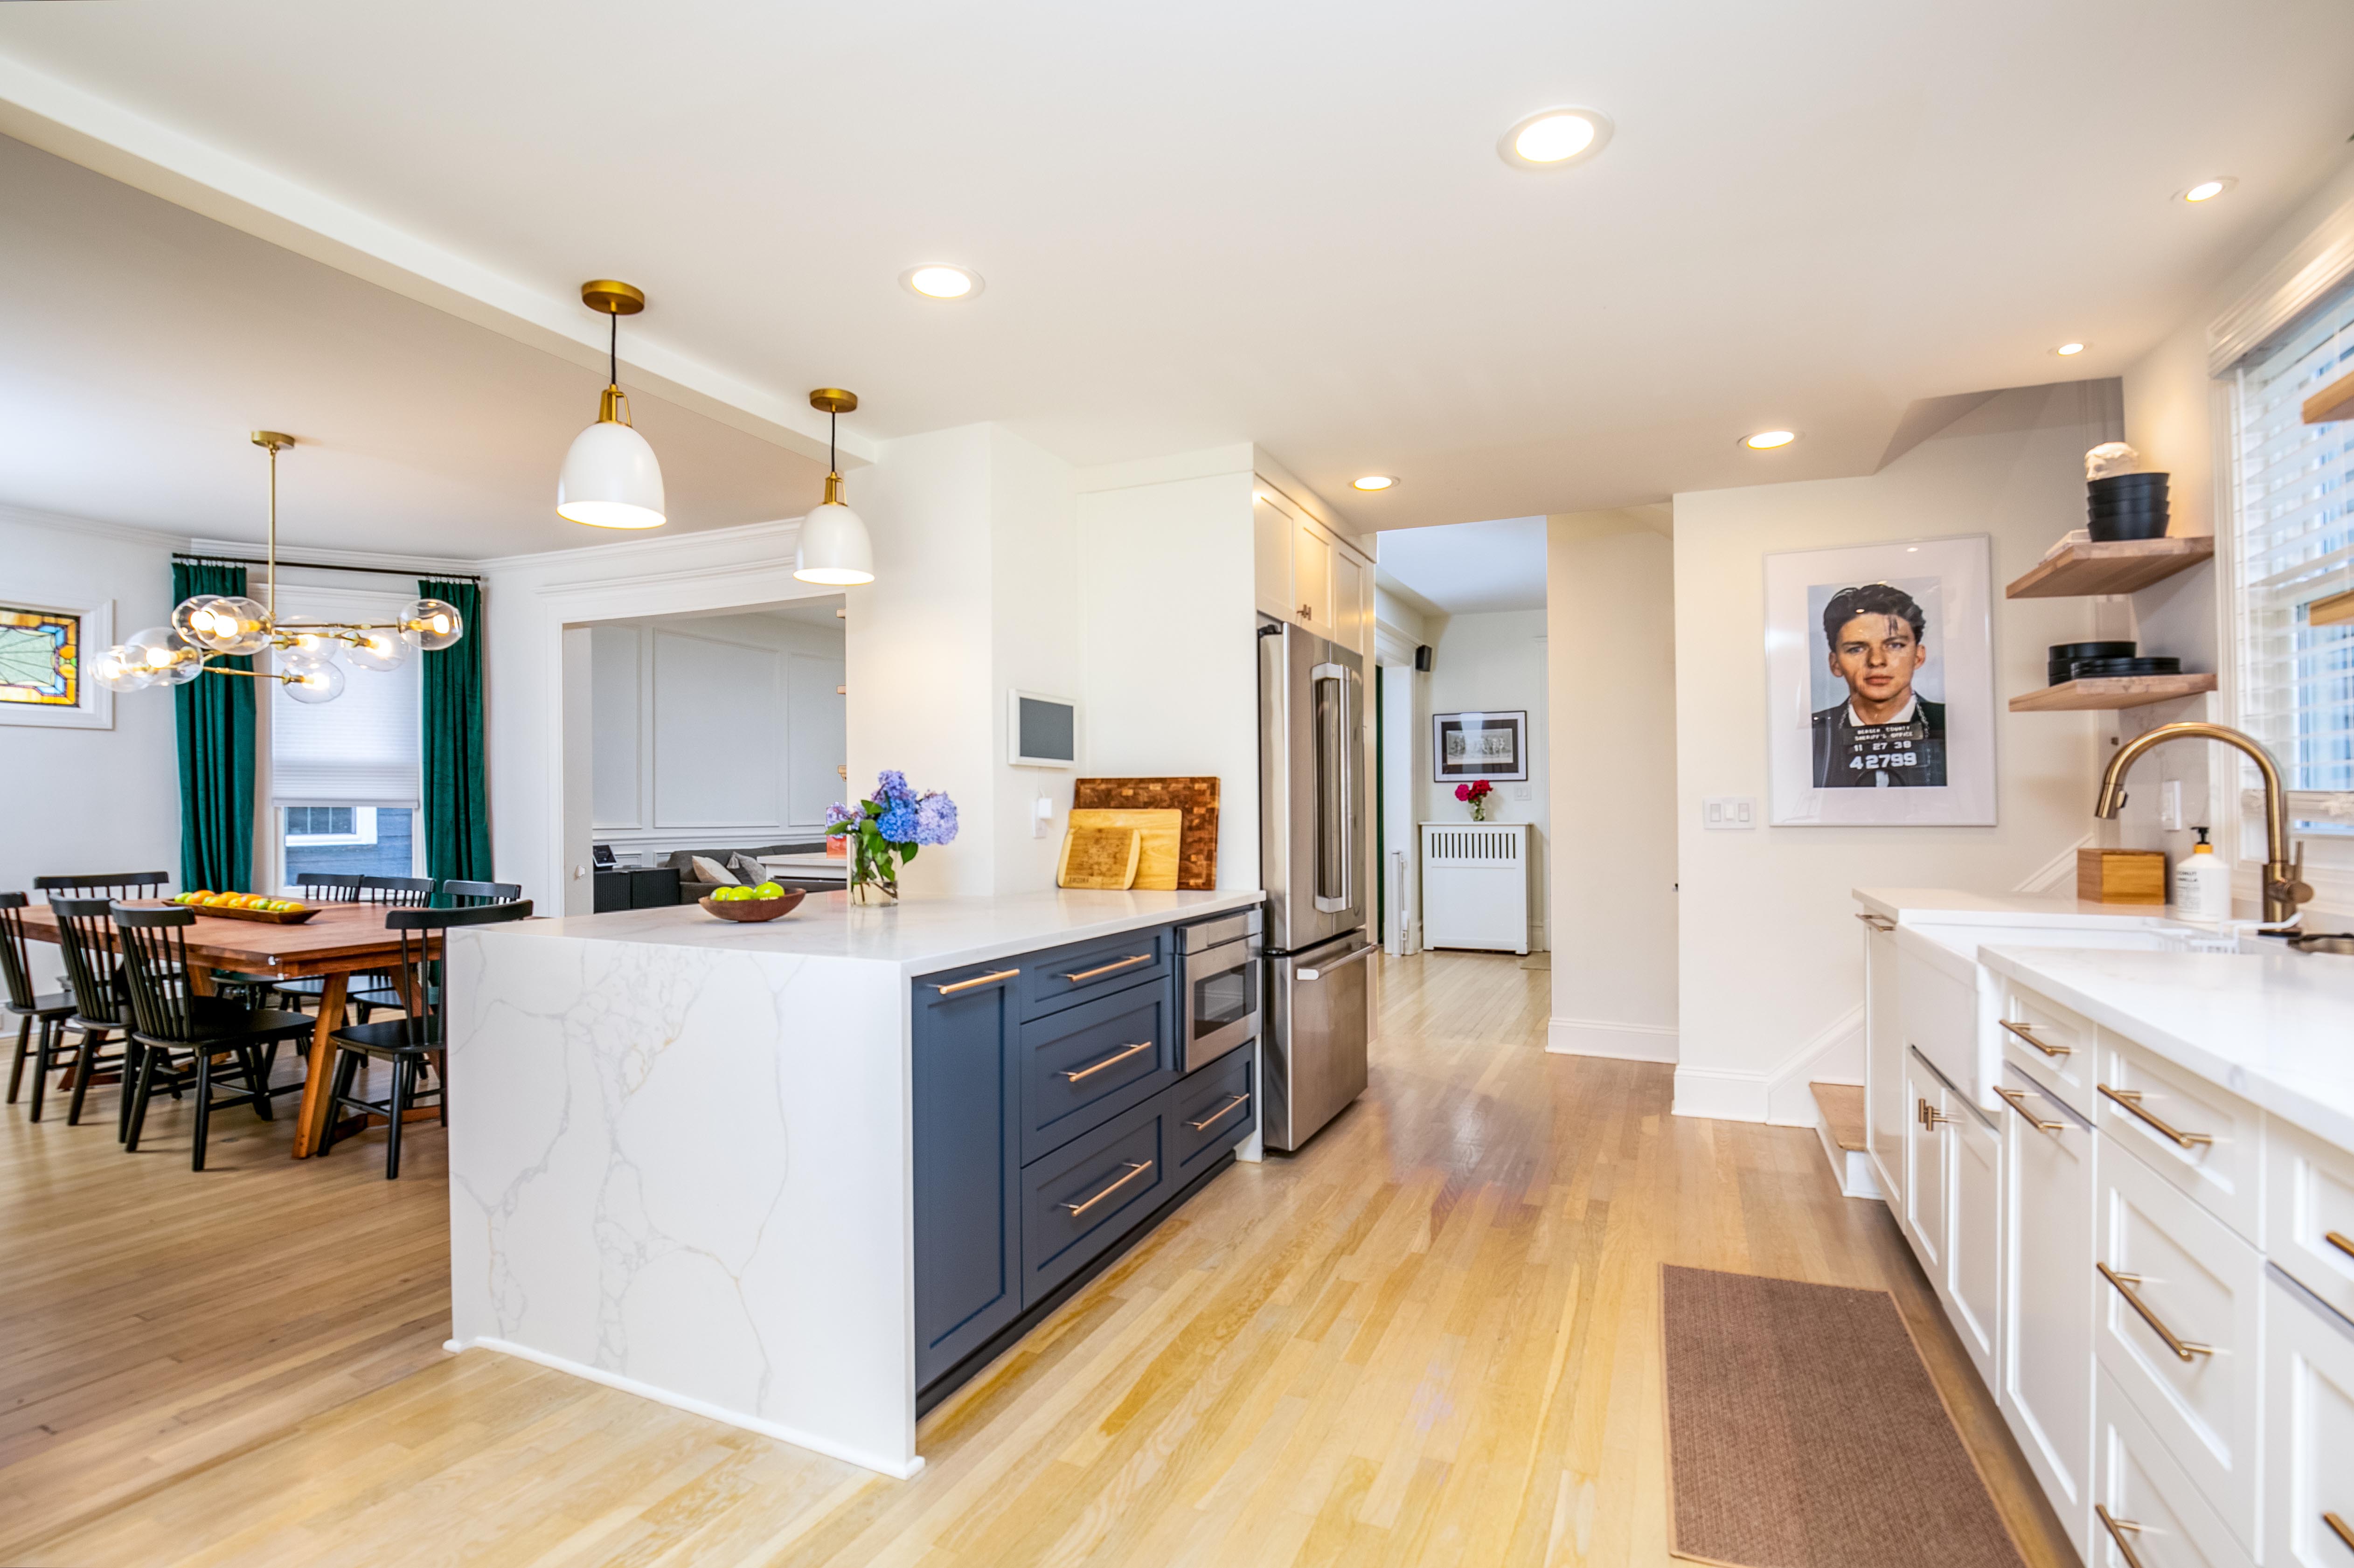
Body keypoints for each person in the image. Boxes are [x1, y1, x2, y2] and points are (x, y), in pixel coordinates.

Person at [1811, 583, 1946, 787]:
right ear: (1835, 663)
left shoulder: (1946, 724)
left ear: (1919, 656)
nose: (1876, 661)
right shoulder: (1815, 733)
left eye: (1895, 645)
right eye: (1857, 649)